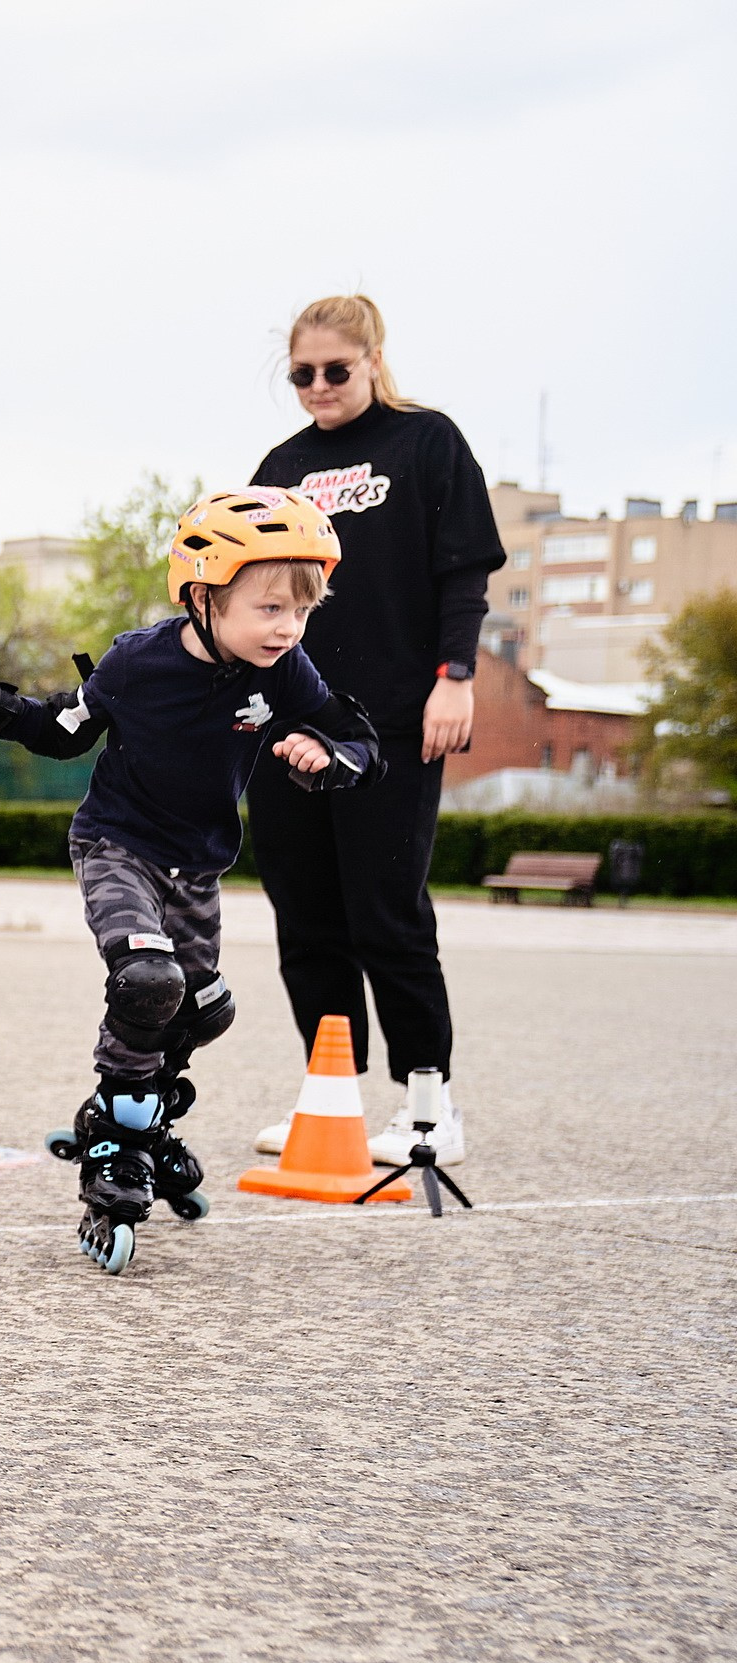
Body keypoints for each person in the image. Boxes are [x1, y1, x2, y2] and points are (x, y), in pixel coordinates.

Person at [0, 487, 384, 1275]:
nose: (287, 628)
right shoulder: (139, 661)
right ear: (203, 595)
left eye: (300, 613)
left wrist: (331, 759)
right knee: (147, 983)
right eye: (269, 608)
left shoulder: (285, 670)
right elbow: (60, 731)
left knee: (202, 1009)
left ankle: (133, 1110)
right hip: (116, 847)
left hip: (197, 868)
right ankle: (119, 1137)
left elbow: (358, 739)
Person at [246, 295, 502, 1167]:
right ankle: (333, 1098)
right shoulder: (281, 464)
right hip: (290, 719)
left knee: (385, 911)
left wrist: (454, 676)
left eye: (335, 371)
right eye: (302, 375)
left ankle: (429, 1106)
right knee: (306, 912)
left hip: (392, 721)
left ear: (374, 359)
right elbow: (252, 589)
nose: (318, 387)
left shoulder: (427, 443)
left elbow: (463, 570)